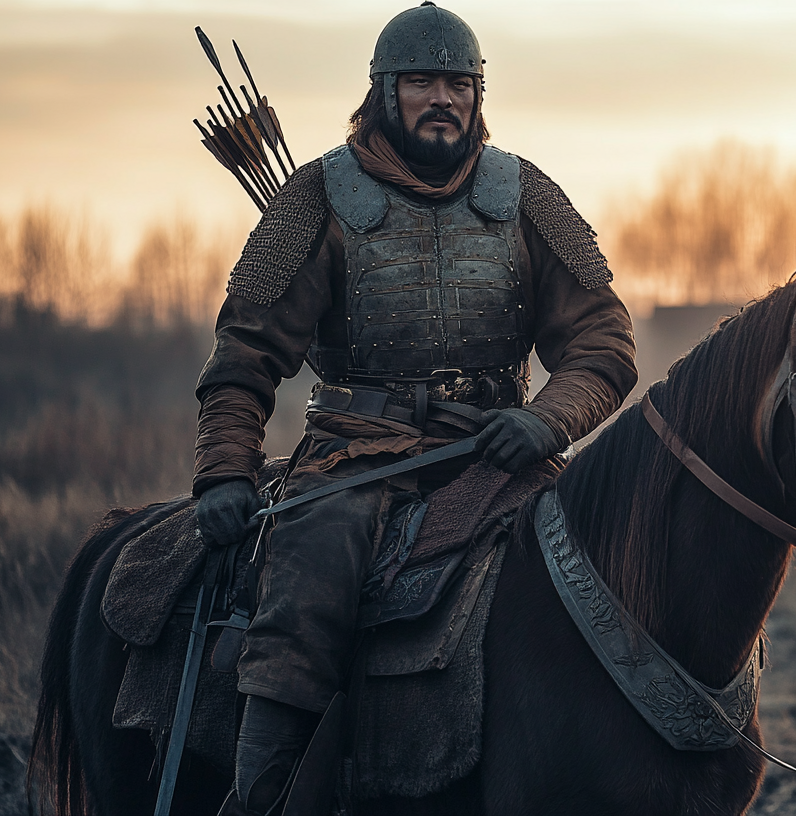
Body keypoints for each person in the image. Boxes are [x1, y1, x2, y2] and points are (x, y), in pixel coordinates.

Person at [190, 4, 637, 812]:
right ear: (383, 92)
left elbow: (604, 342)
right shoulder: (314, 196)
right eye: (422, 82)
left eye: (457, 84)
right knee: (309, 581)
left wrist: (548, 419)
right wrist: (224, 471)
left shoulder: (527, 194)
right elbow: (244, 354)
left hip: (500, 453)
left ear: (478, 93)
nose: (442, 99)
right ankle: (267, 793)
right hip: (357, 459)